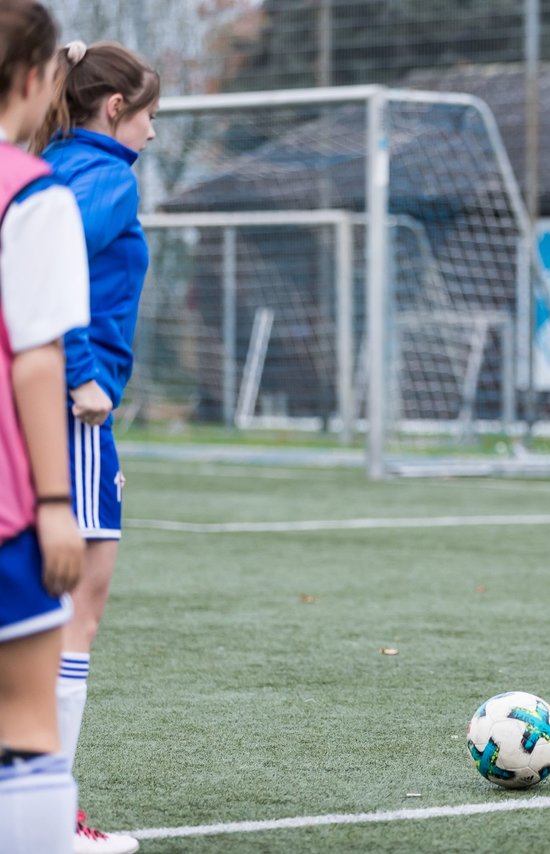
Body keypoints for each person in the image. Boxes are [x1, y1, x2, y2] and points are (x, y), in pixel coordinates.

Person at [33, 37, 158, 854]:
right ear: (117, 109)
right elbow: (46, 264)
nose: (154, 134)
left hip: (50, 403)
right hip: (71, 414)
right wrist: (82, 375)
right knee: (77, 608)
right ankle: (49, 814)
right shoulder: (108, 173)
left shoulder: (53, 159)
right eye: (153, 116)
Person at [0, 2, 90, 851]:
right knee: (25, 724)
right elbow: (36, 359)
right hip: (6, 507)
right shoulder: (34, 192)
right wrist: (56, 502)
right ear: (34, 79)